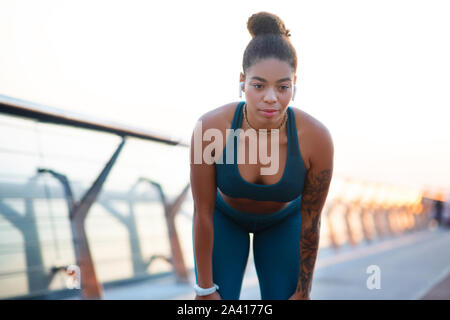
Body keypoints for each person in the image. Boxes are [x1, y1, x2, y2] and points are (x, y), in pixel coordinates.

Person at [190, 11, 334, 300]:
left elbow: (311, 220)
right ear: (242, 81)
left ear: (294, 83)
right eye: (259, 85)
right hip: (224, 221)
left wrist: (303, 292)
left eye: (283, 86)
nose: (271, 97)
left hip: (284, 223)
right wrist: (204, 289)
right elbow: (203, 211)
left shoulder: (316, 139)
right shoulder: (209, 128)